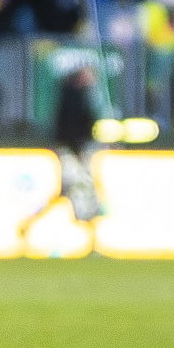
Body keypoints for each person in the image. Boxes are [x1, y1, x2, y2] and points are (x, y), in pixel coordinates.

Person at [11, 44, 109, 255]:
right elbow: (72, 127)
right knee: (82, 192)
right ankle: (92, 244)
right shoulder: (74, 97)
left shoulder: (74, 95)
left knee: (64, 193)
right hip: (72, 152)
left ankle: (27, 225)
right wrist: (78, 150)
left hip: (71, 150)